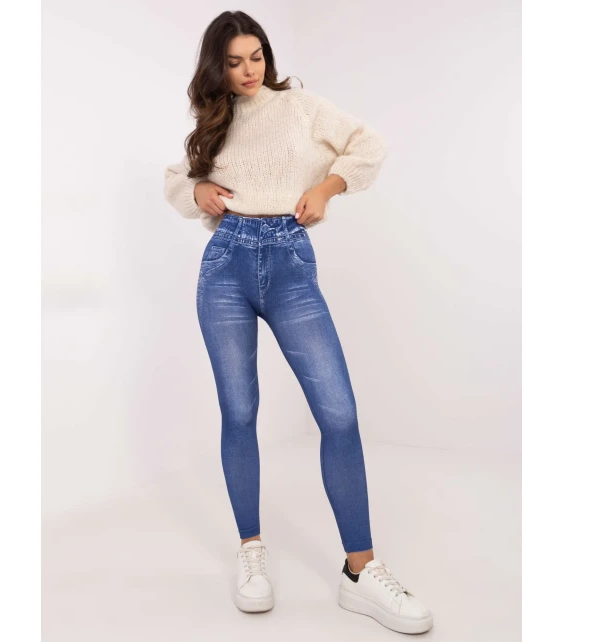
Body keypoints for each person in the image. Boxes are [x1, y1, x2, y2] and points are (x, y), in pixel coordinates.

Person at [164, 11, 433, 635]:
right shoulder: (214, 121)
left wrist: (329, 187)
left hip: (289, 263)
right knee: (239, 411)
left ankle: (360, 572)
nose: (248, 71)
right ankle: (251, 551)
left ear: (268, 54)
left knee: (338, 413)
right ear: (217, 67)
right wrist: (198, 191)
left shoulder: (301, 107)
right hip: (225, 267)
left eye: (256, 56)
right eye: (234, 62)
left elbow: (368, 144)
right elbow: (179, 178)